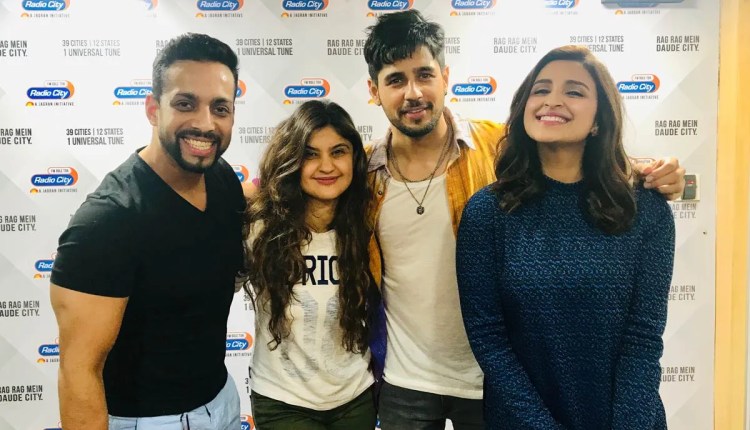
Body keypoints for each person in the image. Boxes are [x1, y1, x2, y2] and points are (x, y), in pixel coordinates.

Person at [362, 10, 684, 430]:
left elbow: (572, 152)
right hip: (409, 380)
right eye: (395, 80)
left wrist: (650, 173)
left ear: (445, 77)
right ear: (374, 90)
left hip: (491, 385)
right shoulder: (360, 175)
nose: (413, 92)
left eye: (424, 74)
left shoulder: (498, 144)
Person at [456, 45, 675, 430]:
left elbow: (643, 339)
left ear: (598, 120)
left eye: (574, 91)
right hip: (522, 422)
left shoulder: (645, 210)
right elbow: (490, 341)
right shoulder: (488, 212)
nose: (552, 100)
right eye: (541, 90)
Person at [49, 33, 244, 429]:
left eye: (220, 108)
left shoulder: (222, 179)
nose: (205, 123)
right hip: (147, 421)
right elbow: (78, 372)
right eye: (186, 104)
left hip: (222, 403)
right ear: (153, 109)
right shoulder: (107, 222)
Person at [244, 99, 378, 430]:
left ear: (354, 158)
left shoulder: (368, 225)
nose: (326, 166)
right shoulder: (260, 228)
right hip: (282, 401)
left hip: (355, 397)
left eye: (338, 151)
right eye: (310, 154)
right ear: (291, 160)